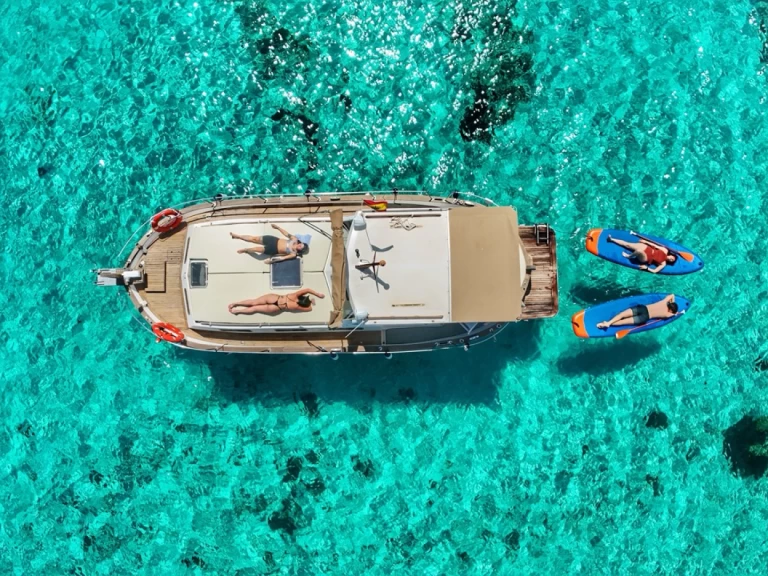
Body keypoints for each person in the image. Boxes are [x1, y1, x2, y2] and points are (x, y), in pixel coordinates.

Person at [230, 224, 310, 264]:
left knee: (255, 249)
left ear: (300, 251)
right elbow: (286, 234)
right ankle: (238, 236)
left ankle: (246, 250)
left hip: (273, 249)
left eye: (301, 248)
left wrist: (271, 261)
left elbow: (283, 258)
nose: (300, 245)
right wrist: (278, 227)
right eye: (301, 244)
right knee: (254, 238)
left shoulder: (293, 254)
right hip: (273, 240)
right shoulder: (295, 239)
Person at [597, 294, 679, 329]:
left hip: (642, 308)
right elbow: (674, 314)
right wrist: (675, 313)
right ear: (671, 310)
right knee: (623, 322)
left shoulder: (664, 301)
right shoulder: (666, 314)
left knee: (622, 315)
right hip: (644, 317)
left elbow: (672, 295)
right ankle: (607, 325)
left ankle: (608, 323)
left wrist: (672, 301)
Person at [606, 233, 677, 274]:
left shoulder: (663, 263)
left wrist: (647, 268)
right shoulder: (665, 250)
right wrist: (646, 242)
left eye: (671, 260)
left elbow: (655, 271)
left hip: (646, 258)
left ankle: (629, 256)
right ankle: (611, 239)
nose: (671, 259)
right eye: (672, 258)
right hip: (648, 248)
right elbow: (655, 245)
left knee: (639, 251)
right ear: (671, 255)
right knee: (628, 244)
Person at [228, 288, 325, 315]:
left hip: (275, 298)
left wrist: (317, 295)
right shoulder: (297, 307)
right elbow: (309, 309)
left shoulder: (295, 295)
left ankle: (235, 304)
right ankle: (238, 311)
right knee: (255, 309)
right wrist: (311, 303)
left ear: (302, 297)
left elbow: (307, 289)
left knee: (254, 302)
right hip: (276, 308)